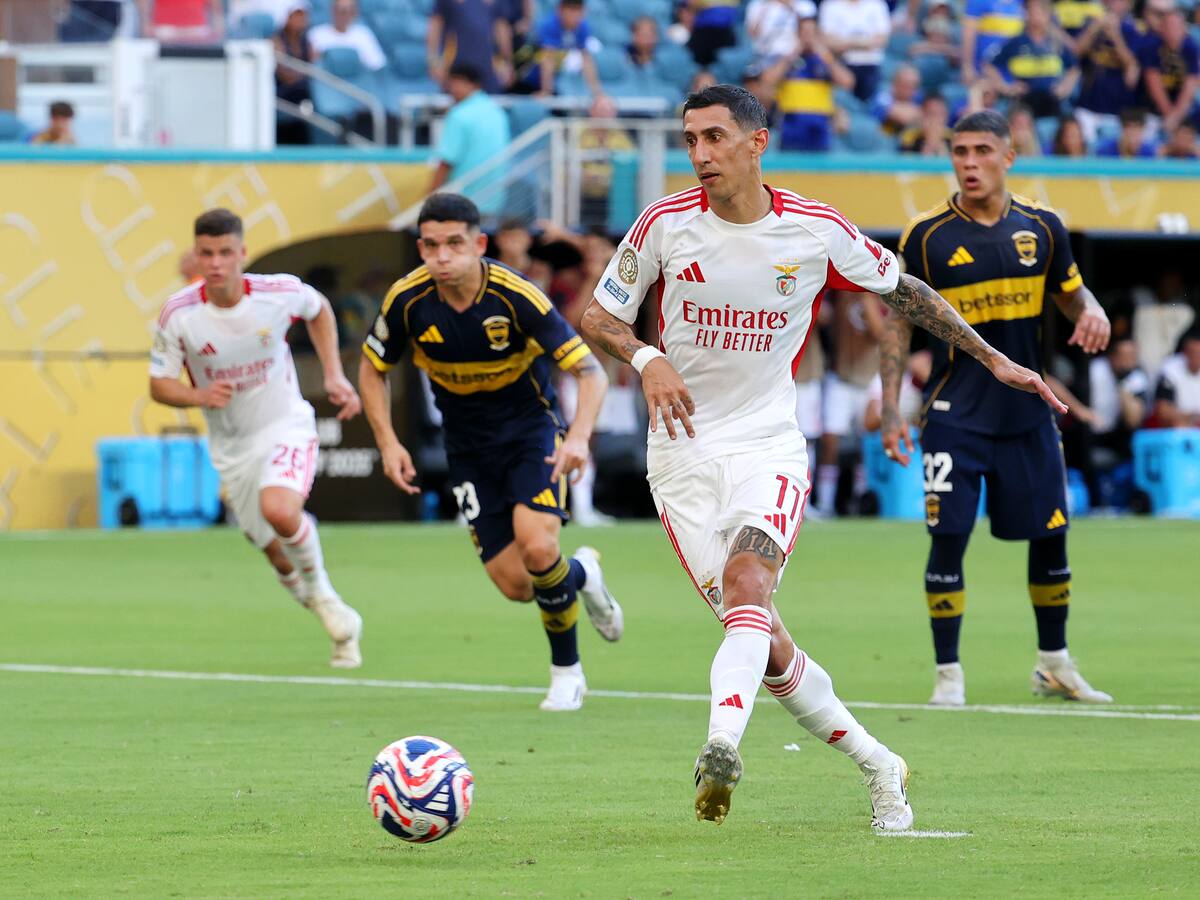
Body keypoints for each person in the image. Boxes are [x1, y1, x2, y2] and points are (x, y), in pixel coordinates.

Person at [579, 84, 1066, 831]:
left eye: (714, 138)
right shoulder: (664, 224)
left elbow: (904, 291)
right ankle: (880, 763)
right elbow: (597, 314)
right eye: (691, 141)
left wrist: (993, 358)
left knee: (748, 583)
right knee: (766, 644)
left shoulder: (813, 228)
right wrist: (646, 357)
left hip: (767, 445)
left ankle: (720, 746)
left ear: (755, 142)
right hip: (679, 457)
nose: (701, 155)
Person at [879, 109, 1114, 709]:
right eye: (959, 152)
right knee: (949, 537)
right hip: (956, 415)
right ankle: (948, 676)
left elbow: (1069, 292)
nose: (970, 163)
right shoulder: (926, 236)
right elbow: (898, 326)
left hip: (1030, 415)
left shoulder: (1044, 226)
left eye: (983, 151)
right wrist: (890, 409)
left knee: (1051, 538)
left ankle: (1055, 665)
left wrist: (1092, 309)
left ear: (1009, 156)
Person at [358, 193, 622, 712]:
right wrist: (388, 442)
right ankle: (584, 575)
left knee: (538, 548)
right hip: (467, 449)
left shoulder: (514, 295)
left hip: (532, 435)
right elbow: (372, 368)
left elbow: (588, 372)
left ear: (478, 244)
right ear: (420, 249)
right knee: (519, 585)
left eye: (454, 243)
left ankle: (566, 672)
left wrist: (579, 436)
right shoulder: (408, 301)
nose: (442, 256)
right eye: (431, 245)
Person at [148, 209, 364, 668]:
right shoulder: (178, 315)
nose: (216, 263)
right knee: (276, 554)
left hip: (285, 423)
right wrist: (198, 394)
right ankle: (335, 619)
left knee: (281, 510)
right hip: (232, 447)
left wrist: (333, 375)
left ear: (242, 253)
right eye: (207, 253)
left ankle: (324, 594)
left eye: (226, 252)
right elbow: (158, 385)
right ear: (196, 256)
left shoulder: (277, 293)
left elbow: (320, 309)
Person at [428, 63, 511, 219]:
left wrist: (429, 198)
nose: (452, 89)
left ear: (473, 84)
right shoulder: (497, 111)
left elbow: (447, 160)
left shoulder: (459, 114)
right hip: (495, 200)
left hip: (464, 202)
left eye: (456, 82)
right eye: (450, 83)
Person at [770, 14, 855, 152]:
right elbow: (768, 80)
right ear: (797, 34)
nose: (808, 38)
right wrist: (791, 56)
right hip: (792, 123)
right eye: (804, 33)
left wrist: (826, 57)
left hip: (819, 124)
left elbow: (847, 82)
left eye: (812, 33)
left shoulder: (826, 60)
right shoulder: (787, 59)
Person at [985, 0, 1080, 119]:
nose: (1037, 15)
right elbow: (990, 66)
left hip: (1051, 102)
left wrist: (1064, 88)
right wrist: (1006, 88)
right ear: (1027, 13)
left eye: (1042, 11)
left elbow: (1074, 69)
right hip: (1023, 104)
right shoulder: (1016, 42)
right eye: (1033, 10)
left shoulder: (1057, 43)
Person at [817, 0, 891, 103]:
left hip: (870, 65)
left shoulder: (877, 4)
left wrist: (845, 43)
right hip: (841, 63)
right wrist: (863, 43)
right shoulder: (830, 5)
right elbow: (827, 40)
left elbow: (882, 40)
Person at [428, 0, 511, 92]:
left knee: (489, 102)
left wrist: (506, 61)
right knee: (458, 103)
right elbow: (436, 25)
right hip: (457, 65)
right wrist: (434, 62)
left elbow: (501, 28)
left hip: (488, 65)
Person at [1139, 9, 1200, 134]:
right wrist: (1169, 115)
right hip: (1151, 109)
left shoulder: (1190, 47)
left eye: (1177, 27)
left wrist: (1175, 117)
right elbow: (1153, 83)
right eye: (1169, 26)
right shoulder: (1151, 46)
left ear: (1184, 29)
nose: (1173, 31)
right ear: (1161, 28)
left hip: (1181, 111)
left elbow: (1191, 84)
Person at [308, 0, 386, 73]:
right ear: (332, 10)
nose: (345, 14)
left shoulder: (364, 34)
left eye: (349, 10)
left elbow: (376, 65)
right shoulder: (315, 34)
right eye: (341, 10)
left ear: (355, 12)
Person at [1153, 329, 1200, 426]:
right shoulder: (1169, 369)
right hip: (1176, 428)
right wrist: (1191, 417)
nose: (1196, 356)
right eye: (1192, 352)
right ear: (1184, 352)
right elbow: (1162, 411)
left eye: (1199, 353)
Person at [137, 0, 224, 42]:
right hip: (164, 30)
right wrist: (145, 22)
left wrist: (218, 26)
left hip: (196, 31)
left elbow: (215, 6)